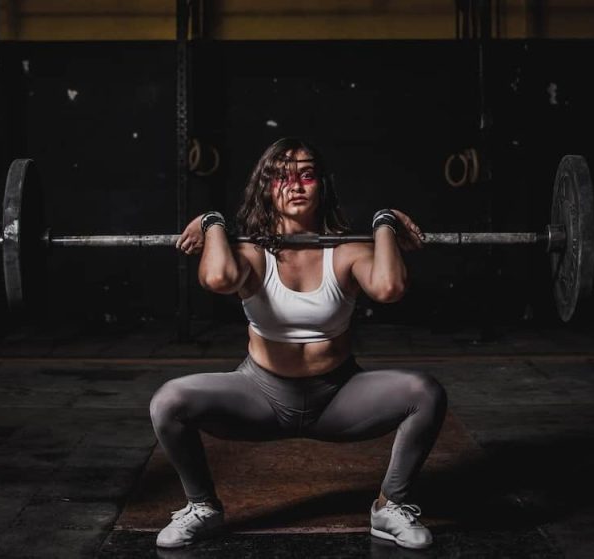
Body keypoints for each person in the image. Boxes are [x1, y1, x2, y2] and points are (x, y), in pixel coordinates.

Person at [150, 137, 448, 550]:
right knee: (168, 401)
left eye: (306, 175)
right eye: (280, 176)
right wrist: (212, 222)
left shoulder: (346, 251)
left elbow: (390, 287)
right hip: (259, 396)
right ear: (265, 188)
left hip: (339, 397)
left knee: (425, 393)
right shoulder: (252, 253)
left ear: (321, 185)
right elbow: (218, 279)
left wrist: (384, 223)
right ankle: (203, 507)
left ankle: (390, 506)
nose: (294, 185)